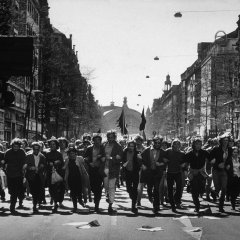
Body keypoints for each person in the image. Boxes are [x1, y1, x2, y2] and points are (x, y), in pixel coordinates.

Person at [141, 136, 166, 214]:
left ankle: (156, 205)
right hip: (149, 172)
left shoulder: (162, 152)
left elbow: (166, 161)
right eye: (156, 142)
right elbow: (139, 159)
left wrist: (161, 163)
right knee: (149, 188)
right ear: (153, 142)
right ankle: (150, 197)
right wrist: (143, 165)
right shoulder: (146, 150)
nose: (158, 144)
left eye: (159, 143)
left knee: (156, 189)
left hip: (158, 173)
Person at [184, 138, 209, 212]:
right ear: (193, 145)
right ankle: (197, 205)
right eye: (196, 144)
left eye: (199, 144)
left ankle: (199, 196)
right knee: (194, 190)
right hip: (193, 173)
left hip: (201, 173)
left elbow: (211, 158)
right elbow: (185, 163)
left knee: (201, 189)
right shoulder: (189, 153)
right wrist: (186, 172)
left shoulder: (204, 152)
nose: (198, 146)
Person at [210, 134, 232, 212]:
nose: (226, 142)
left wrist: (228, 164)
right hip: (216, 170)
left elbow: (229, 159)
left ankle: (221, 206)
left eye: (227, 140)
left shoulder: (230, 149)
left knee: (224, 188)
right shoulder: (216, 149)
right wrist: (217, 164)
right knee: (217, 188)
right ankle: (213, 191)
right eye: (224, 140)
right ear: (221, 141)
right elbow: (210, 159)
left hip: (224, 171)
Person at [3, 138, 26, 214]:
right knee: (11, 191)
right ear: (12, 146)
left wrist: (24, 169)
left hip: (19, 174)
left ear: (20, 146)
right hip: (10, 174)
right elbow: (5, 162)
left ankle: (12, 206)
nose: (16, 148)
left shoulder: (22, 152)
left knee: (16, 191)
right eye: (14, 146)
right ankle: (14, 202)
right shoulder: (8, 152)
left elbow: (25, 162)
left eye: (17, 146)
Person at [103, 130, 123, 214]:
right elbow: (100, 154)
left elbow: (120, 157)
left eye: (112, 137)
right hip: (104, 169)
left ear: (115, 137)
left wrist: (111, 158)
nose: (110, 139)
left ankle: (110, 205)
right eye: (109, 137)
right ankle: (107, 195)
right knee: (106, 186)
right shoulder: (104, 144)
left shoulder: (118, 146)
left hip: (113, 169)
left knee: (111, 187)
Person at [84, 133, 105, 213]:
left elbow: (105, 158)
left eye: (98, 140)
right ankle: (96, 197)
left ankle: (97, 205)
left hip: (100, 170)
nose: (97, 142)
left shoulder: (103, 148)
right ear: (93, 141)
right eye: (95, 140)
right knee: (92, 186)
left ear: (100, 141)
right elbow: (85, 158)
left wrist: (101, 159)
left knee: (98, 188)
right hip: (91, 170)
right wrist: (89, 162)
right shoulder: (89, 149)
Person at [164, 139, 185, 212]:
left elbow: (184, 162)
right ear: (172, 145)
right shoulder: (168, 151)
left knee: (179, 188)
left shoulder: (182, 153)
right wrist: (164, 160)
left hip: (178, 172)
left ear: (180, 146)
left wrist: (184, 165)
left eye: (178, 144)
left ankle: (177, 201)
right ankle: (173, 205)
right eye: (175, 144)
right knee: (170, 189)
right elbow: (162, 157)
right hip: (169, 172)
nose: (176, 146)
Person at [64, 147, 88, 213]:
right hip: (70, 178)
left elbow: (83, 168)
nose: (72, 155)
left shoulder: (79, 159)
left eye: (73, 153)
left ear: (75, 153)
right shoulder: (67, 160)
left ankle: (80, 201)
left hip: (79, 178)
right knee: (73, 193)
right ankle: (75, 207)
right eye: (70, 153)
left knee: (79, 192)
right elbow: (64, 168)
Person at [25, 142, 46, 213]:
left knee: (36, 191)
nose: (36, 150)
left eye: (37, 149)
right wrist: (30, 168)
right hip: (30, 176)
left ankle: (35, 205)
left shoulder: (42, 156)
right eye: (35, 149)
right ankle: (36, 202)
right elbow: (25, 166)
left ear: (39, 149)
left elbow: (44, 165)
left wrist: (42, 166)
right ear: (32, 149)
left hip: (39, 175)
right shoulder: (28, 156)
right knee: (32, 190)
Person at [45, 137, 65, 213]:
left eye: (54, 144)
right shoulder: (47, 154)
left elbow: (62, 163)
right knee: (51, 189)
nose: (52, 145)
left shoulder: (59, 154)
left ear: (56, 145)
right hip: (50, 173)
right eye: (51, 144)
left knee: (59, 188)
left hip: (58, 173)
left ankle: (57, 202)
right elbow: (45, 163)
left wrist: (58, 162)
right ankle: (55, 202)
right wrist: (48, 164)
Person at [122, 141, 141, 213]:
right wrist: (123, 164)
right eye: (130, 146)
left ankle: (133, 205)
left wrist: (140, 159)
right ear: (128, 146)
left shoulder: (137, 153)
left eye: (132, 146)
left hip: (135, 172)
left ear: (134, 147)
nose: (131, 147)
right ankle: (132, 196)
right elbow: (122, 160)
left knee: (135, 188)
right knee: (128, 188)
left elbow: (141, 162)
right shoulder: (124, 152)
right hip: (127, 172)